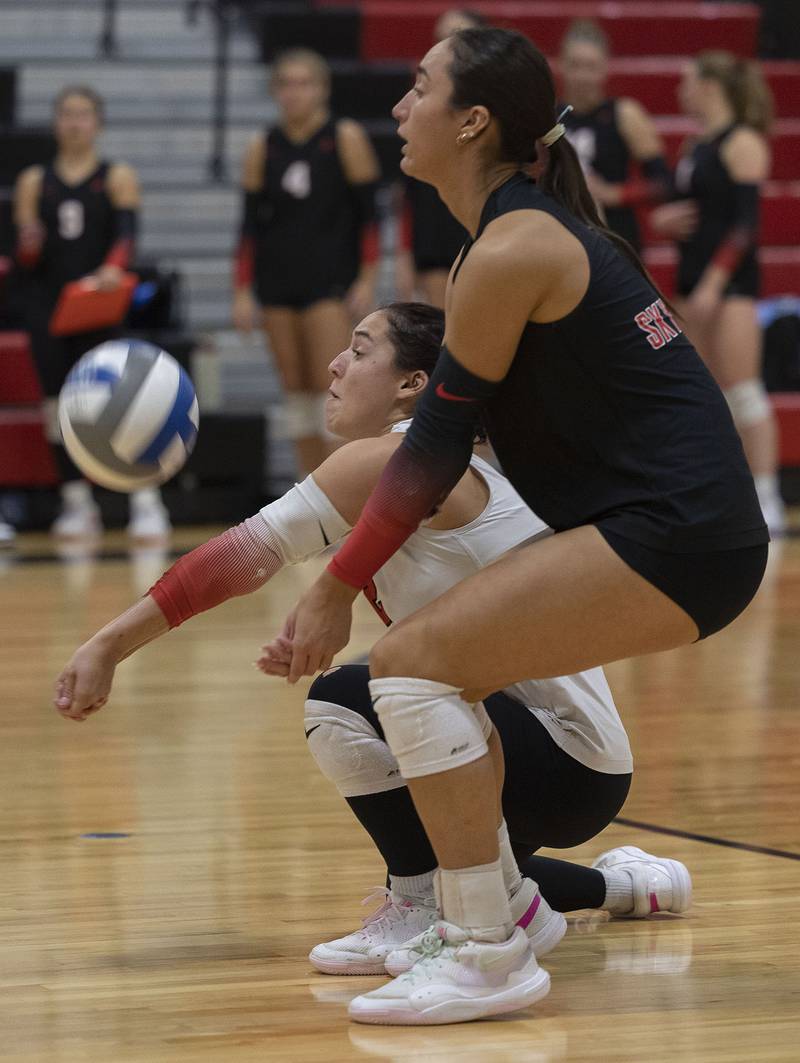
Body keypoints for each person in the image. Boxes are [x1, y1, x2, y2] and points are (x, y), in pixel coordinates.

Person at [273, 27, 769, 1026]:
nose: (399, 106)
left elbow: (432, 447)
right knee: (422, 671)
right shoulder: (497, 245)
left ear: (472, 122)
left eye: (419, 88)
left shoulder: (513, 248)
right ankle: (489, 920)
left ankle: (488, 950)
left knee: (409, 667)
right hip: (668, 523)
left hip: (679, 528)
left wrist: (332, 585)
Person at [52, 302, 689, 994]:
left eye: (359, 351)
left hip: (558, 750)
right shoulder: (426, 461)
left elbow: (235, 559)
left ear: (413, 384)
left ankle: (424, 908)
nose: (334, 365)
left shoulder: (395, 456)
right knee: (459, 860)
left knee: (344, 703)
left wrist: (108, 646)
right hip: (561, 761)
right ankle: (630, 888)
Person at [13, 85, 171, 540]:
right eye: (66, 114)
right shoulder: (34, 181)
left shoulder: (116, 175)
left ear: (97, 123)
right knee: (56, 408)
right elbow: (26, 257)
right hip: (47, 307)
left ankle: (146, 501)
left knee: (119, 405)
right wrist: (29, 245)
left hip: (98, 305)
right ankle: (77, 503)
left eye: (83, 114)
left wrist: (113, 268)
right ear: (55, 122)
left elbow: (126, 235)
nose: (74, 122)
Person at [650, 52, 783, 534]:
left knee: (745, 394)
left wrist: (713, 283)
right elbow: (687, 208)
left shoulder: (743, 141)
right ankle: (718, 495)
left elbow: (745, 226)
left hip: (730, 290)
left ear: (709, 85)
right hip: (692, 283)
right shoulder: (695, 144)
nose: (680, 89)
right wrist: (664, 220)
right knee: (703, 399)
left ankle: (768, 499)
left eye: (687, 80)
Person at [233, 48, 381, 474]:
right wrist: (242, 291)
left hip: (330, 281)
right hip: (276, 281)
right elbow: (248, 229)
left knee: (330, 388)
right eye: (286, 84)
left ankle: (342, 493)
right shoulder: (263, 146)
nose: (294, 93)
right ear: (274, 91)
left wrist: (367, 278)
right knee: (295, 393)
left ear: (323, 89)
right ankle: (309, 490)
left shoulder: (344, 137)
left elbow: (371, 218)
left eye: (304, 83)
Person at [395, 9, 485, 308]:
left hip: (487, 235)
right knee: (441, 329)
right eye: (440, 38)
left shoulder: (498, 103)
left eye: (456, 38)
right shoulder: (419, 101)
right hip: (436, 241)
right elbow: (409, 187)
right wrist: (405, 253)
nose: (445, 45)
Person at [559, 19, 671, 251]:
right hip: (561, 240)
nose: (582, 76)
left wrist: (615, 193)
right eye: (575, 65)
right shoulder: (548, 115)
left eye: (590, 67)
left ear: (605, 68)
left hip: (616, 239)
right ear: (562, 65)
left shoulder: (624, 114)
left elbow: (664, 183)